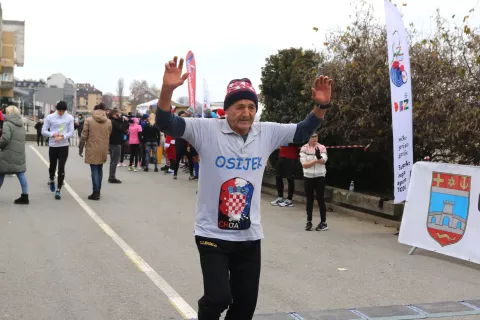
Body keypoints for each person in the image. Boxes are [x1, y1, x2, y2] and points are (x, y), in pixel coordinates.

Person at [155, 56, 333, 320]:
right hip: (212, 234)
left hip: (249, 237)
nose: (246, 113)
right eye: (239, 106)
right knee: (218, 298)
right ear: (227, 109)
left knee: (244, 309)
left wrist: (321, 105)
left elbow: (303, 130)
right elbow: (166, 123)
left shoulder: (266, 132)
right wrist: (168, 91)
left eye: (251, 107)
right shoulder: (206, 130)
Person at [42, 101, 75, 200]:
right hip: (53, 145)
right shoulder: (50, 117)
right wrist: (53, 134)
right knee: (52, 166)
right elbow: (43, 131)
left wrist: (62, 136)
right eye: (60, 111)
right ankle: (51, 178)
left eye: (63, 111)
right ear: (57, 109)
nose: (61, 113)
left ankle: (58, 189)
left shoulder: (69, 118)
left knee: (61, 167)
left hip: (64, 145)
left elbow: (71, 132)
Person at [79, 103, 112, 200]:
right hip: (103, 148)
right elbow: (109, 134)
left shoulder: (88, 120)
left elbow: (84, 135)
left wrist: (81, 148)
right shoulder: (109, 121)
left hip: (92, 147)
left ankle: (95, 192)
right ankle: (98, 190)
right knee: (100, 169)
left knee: (94, 170)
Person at [0, 105, 29, 204]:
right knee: (20, 173)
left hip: (8, 152)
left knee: (1, 172)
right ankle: (25, 196)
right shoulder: (21, 124)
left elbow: (6, 139)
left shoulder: (7, 124)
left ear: (9, 113)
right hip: (19, 152)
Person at [299, 133, 328, 231]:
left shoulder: (322, 147)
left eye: (316, 136)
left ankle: (323, 222)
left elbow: (324, 160)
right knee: (309, 200)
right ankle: (309, 221)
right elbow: (305, 165)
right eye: (312, 136)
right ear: (308, 138)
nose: (315, 138)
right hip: (308, 176)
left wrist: (319, 157)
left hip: (320, 176)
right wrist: (316, 160)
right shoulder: (304, 148)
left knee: (320, 199)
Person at [270, 115, 300, 208]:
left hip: (291, 158)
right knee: (278, 176)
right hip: (282, 156)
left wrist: (288, 141)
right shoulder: (281, 132)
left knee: (290, 178)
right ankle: (280, 197)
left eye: (285, 123)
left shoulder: (294, 131)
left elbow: (299, 141)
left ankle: (289, 199)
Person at [108, 108, 129, 183]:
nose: (120, 115)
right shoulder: (114, 122)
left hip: (113, 142)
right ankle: (112, 176)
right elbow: (122, 127)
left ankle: (111, 175)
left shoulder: (111, 120)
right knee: (115, 161)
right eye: (119, 114)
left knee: (113, 161)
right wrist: (126, 121)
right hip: (115, 142)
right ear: (114, 114)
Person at [173, 111, 194, 180]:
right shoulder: (176, 125)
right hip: (179, 143)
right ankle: (175, 173)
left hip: (187, 144)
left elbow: (190, 135)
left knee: (190, 159)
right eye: (182, 116)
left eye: (184, 116)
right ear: (179, 117)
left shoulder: (188, 124)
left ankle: (191, 174)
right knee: (177, 159)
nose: (184, 117)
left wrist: (189, 145)